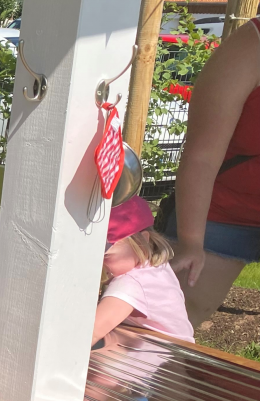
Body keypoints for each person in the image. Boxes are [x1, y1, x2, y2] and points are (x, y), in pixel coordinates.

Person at [164, 19, 260, 326]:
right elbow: (202, 156)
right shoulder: (251, 46)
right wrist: (191, 241)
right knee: (173, 320)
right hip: (224, 211)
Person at [94, 196, 194, 345]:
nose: (98, 263)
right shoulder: (153, 268)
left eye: (106, 256)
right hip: (176, 350)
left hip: (163, 356)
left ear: (142, 242)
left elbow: (91, 332)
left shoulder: (131, 283)